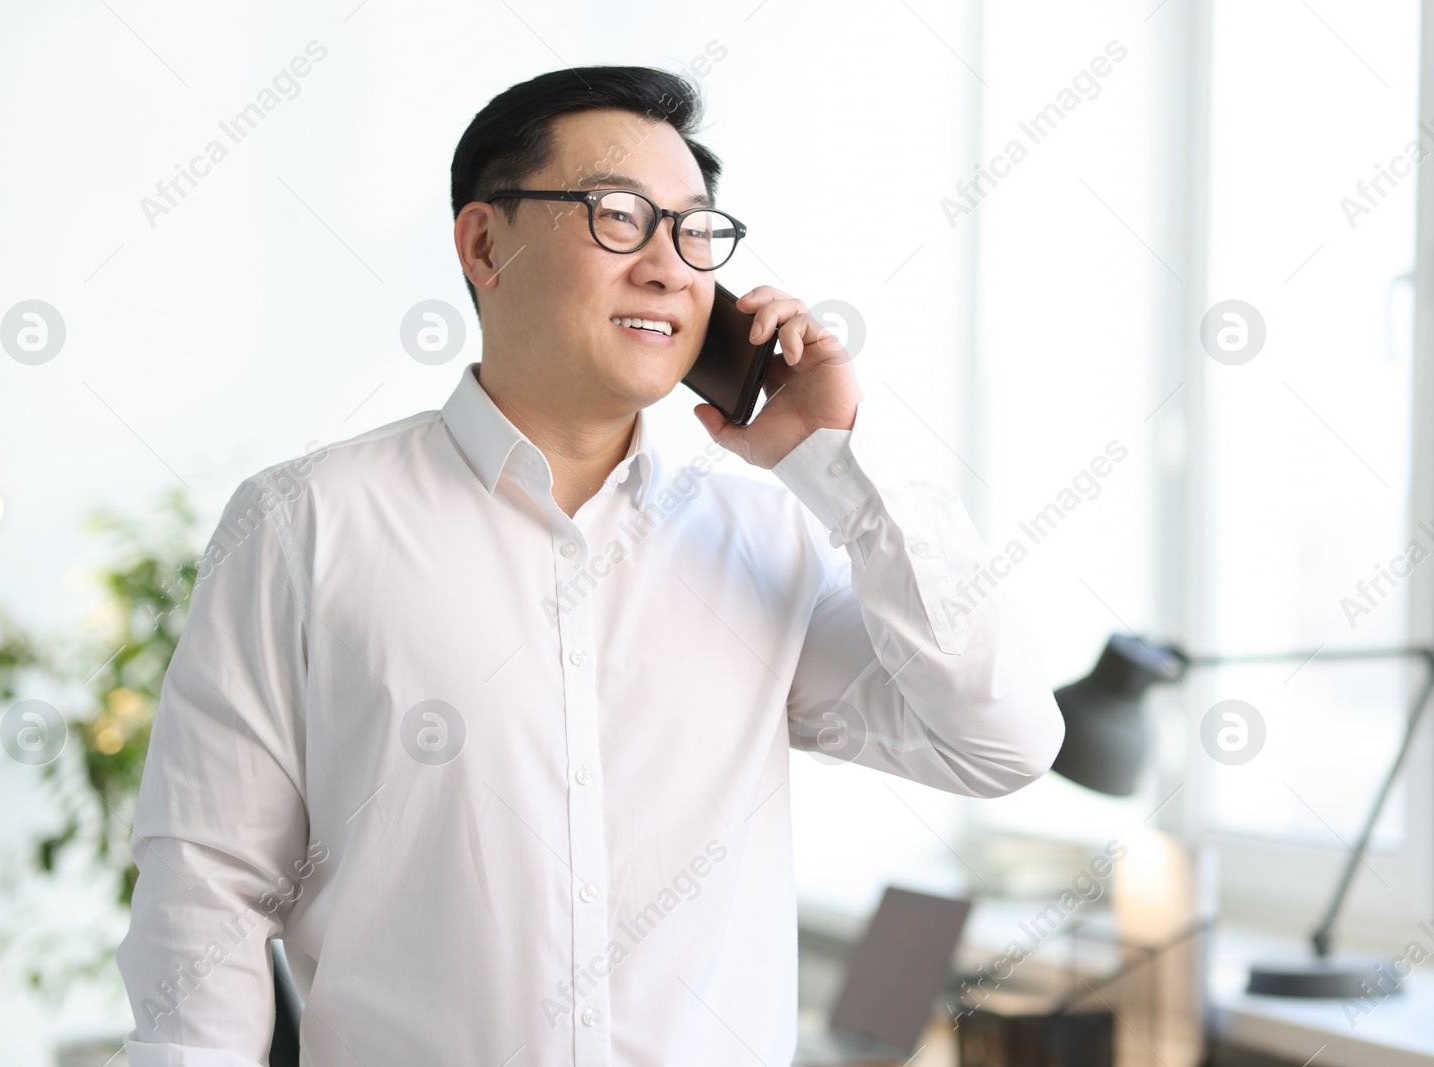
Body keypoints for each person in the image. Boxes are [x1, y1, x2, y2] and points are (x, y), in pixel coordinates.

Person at [116, 64, 1065, 1066]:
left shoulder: (764, 542)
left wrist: (838, 464)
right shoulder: (305, 522)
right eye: (619, 216)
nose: (667, 267)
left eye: (695, 231)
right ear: (485, 244)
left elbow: (999, 739)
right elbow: (206, 889)